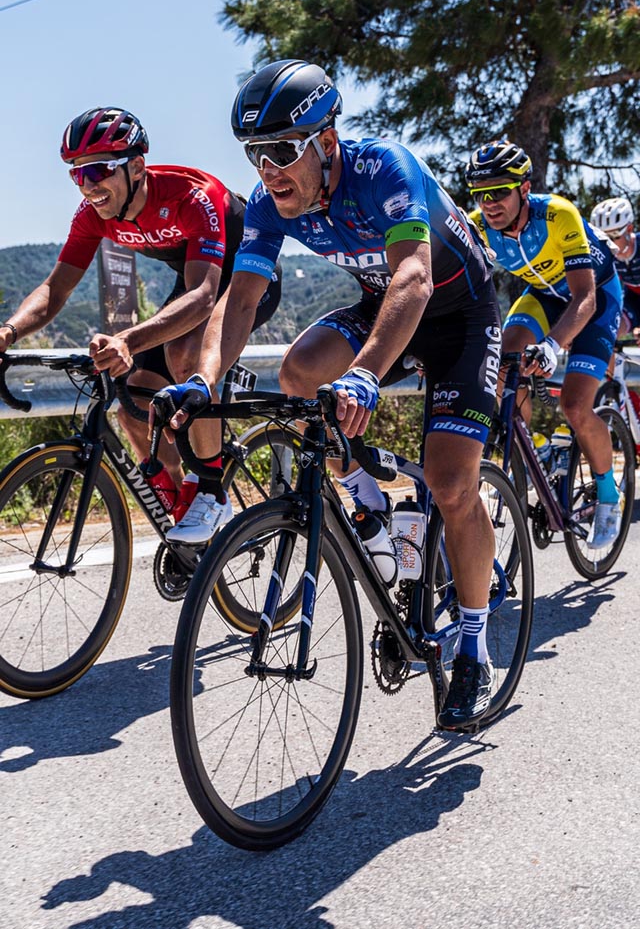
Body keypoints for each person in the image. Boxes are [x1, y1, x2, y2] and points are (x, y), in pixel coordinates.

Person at [156, 58, 505, 730]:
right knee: (298, 370)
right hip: (386, 307)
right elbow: (241, 299)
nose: (268, 169)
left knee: (450, 482)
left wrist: (369, 374)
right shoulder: (267, 202)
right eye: (255, 154)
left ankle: (473, 645)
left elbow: (413, 279)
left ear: (325, 138)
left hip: (457, 313)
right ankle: (370, 504)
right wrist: (201, 379)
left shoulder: (385, 171)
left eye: (282, 150)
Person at [0, 106, 280, 543]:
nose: (89, 186)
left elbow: (205, 296)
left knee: (185, 353)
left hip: (245, 280)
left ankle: (211, 488)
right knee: (134, 401)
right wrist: (8, 332)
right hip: (192, 284)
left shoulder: (192, 196)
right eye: (78, 174)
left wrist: (128, 338)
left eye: (97, 170)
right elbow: (55, 290)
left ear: (135, 166)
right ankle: (179, 503)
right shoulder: (93, 214)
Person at [466, 140, 623, 549]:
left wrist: (553, 345)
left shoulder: (558, 214)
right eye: (481, 194)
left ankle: (608, 494)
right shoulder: (477, 224)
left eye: (499, 191)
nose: (490, 203)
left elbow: (584, 297)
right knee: (503, 365)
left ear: (524, 188)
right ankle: (534, 447)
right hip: (542, 296)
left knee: (574, 405)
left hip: (595, 300)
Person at [590, 197, 640, 343]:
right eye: (604, 238)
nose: (609, 244)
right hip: (632, 299)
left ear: (629, 229)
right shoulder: (606, 256)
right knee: (610, 327)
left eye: (614, 236)